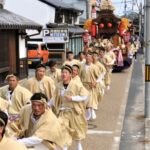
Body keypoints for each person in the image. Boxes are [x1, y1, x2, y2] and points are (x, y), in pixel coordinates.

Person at [53, 65, 88, 150]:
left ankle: (78, 144)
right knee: (62, 129)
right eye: (62, 72)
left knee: (77, 130)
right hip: (63, 112)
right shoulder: (58, 86)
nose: (63, 74)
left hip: (74, 111)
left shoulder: (76, 84)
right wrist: (47, 104)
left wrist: (73, 98)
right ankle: (65, 147)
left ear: (70, 74)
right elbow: (54, 98)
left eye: (66, 73)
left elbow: (85, 96)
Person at [80, 52, 100, 120]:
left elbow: (99, 77)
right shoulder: (82, 66)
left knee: (91, 99)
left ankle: (92, 111)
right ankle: (89, 112)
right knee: (85, 100)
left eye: (89, 57)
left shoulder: (94, 67)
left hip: (91, 85)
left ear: (92, 59)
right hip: (83, 85)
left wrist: (95, 82)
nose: (88, 58)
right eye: (87, 57)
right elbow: (79, 76)